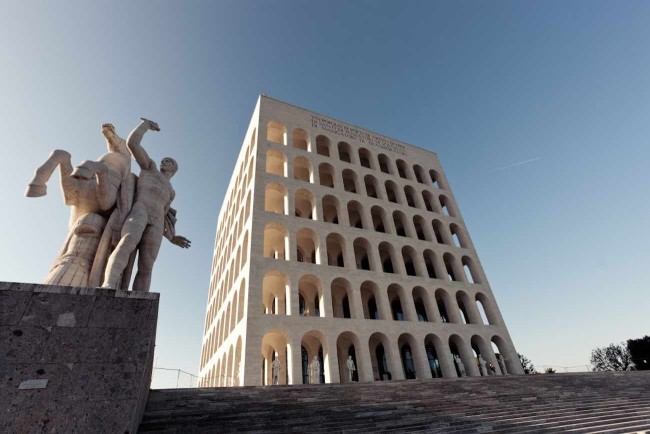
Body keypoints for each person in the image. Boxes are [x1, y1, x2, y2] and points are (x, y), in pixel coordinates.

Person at [102, 118, 190, 291]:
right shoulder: (150, 168)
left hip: (157, 221)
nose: (164, 161)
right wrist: (145, 126)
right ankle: (109, 284)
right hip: (140, 209)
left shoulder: (171, 192)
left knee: (147, 265)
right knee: (127, 243)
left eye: (169, 161)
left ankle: (139, 299)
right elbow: (132, 144)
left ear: (174, 169)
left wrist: (171, 237)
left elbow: (165, 215)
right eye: (164, 160)